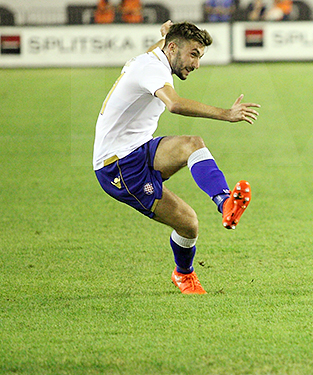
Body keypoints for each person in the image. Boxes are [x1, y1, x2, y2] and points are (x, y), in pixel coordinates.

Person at [93, 20, 260, 294]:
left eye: (200, 56)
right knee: (189, 223)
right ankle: (184, 275)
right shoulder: (151, 68)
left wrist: (164, 34)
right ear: (173, 48)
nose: (196, 64)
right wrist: (226, 114)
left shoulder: (156, 56)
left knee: (192, 144)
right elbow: (175, 104)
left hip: (138, 149)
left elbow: (164, 44)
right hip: (117, 167)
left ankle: (225, 203)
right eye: (193, 54)